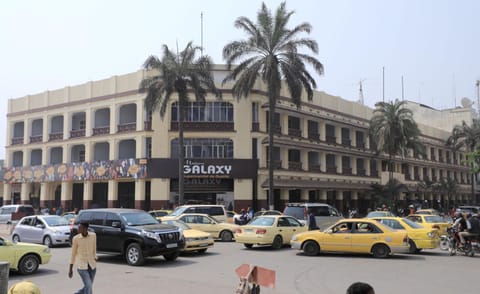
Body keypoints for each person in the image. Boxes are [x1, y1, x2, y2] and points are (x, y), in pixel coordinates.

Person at [69, 222, 97, 294]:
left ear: (85, 228)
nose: (78, 229)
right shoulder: (76, 239)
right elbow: (73, 254)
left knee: (88, 286)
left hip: (92, 266)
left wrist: (95, 256)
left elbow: (94, 248)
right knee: (88, 285)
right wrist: (70, 269)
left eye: (80, 227)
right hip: (81, 267)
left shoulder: (93, 236)